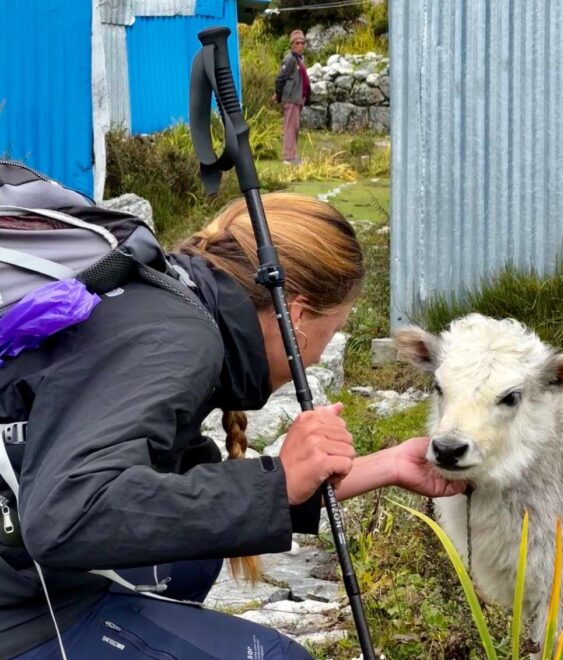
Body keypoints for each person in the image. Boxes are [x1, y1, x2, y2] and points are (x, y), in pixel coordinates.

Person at [0, 193, 465, 659]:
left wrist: (382, 465)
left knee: (191, 559)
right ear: (297, 318)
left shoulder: (169, 299)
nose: (323, 353)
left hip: (26, 573)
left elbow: (163, 484)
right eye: (334, 329)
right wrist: (278, 485)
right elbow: (69, 513)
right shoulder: (178, 336)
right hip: (24, 612)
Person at [273, 30, 310, 165]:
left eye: (302, 43)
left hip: (298, 99)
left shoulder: (300, 59)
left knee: (295, 127)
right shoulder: (289, 59)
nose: (300, 45)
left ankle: (293, 154)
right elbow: (280, 79)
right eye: (297, 43)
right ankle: (289, 157)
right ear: (292, 45)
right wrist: (278, 95)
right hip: (291, 99)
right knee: (290, 127)